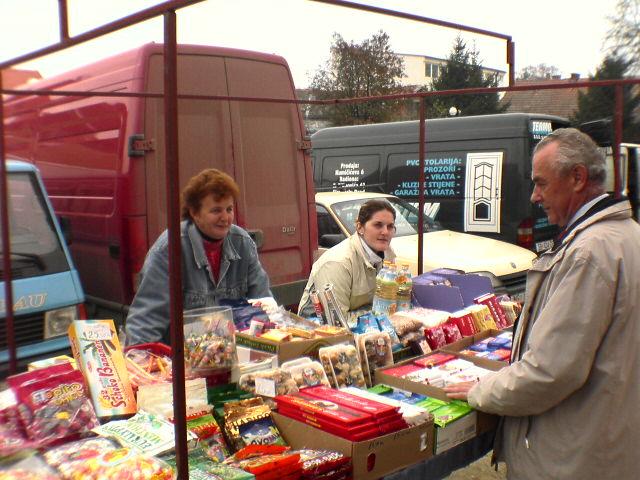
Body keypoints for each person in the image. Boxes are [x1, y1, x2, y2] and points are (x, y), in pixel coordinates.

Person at [444, 128, 640, 479]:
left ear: (577, 178)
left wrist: (480, 391)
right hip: (610, 441)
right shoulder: (627, 235)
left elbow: (550, 372)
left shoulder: (588, 253)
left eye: (541, 183)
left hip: (575, 456)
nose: (535, 196)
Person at [125, 168, 272, 345]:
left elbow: (264, 305)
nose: (225, 217)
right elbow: (145, 323)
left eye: (229, 209)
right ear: (195, 213)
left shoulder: (243, 243)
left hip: (232, 352)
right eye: (216, 210)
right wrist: (144, 357)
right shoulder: (169, 249)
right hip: (180, 356)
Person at [298, 199, 396, 318]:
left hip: (367, 321)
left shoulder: (388, 253)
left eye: (390, 226)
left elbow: (389, 301)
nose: (385, 232)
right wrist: (381, 313)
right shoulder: (338, 262)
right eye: (378, 225)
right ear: (360, 227)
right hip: (319, 326)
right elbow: (338, 320)